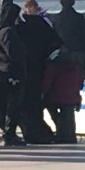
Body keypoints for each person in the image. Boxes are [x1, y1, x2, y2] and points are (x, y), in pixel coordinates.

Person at [16, 8, 62, 144]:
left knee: (25, 104)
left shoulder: (20, 30)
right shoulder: (41, 27)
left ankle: (32, 132)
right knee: (35, 104)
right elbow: (56, 44)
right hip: (38, 70)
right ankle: (39, 133)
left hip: (23, 72)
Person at [0, 1, 27, 146]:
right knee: (14, 106)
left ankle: (7, 132)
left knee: (6, 105)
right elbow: (15, 54)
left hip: (1, 72)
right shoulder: (8, 32)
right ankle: (10, 135)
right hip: (13, 72)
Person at [42, 51, 83, 144]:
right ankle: (70, 135)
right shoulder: (76, 66)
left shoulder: (53, 65)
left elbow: (47, 82)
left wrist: (42, 93)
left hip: (56, 97)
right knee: (69, 114)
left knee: (50, 108)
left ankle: (61, 132)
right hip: (73, 97)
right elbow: (79, 81)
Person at [52, 0, 85, 78]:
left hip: (63, 50)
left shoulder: (57, 18)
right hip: (79, 49)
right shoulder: (79, 17)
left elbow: (54, 36)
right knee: (79, 76)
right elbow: (84, 35)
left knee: (64, 77)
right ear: (73, 2)